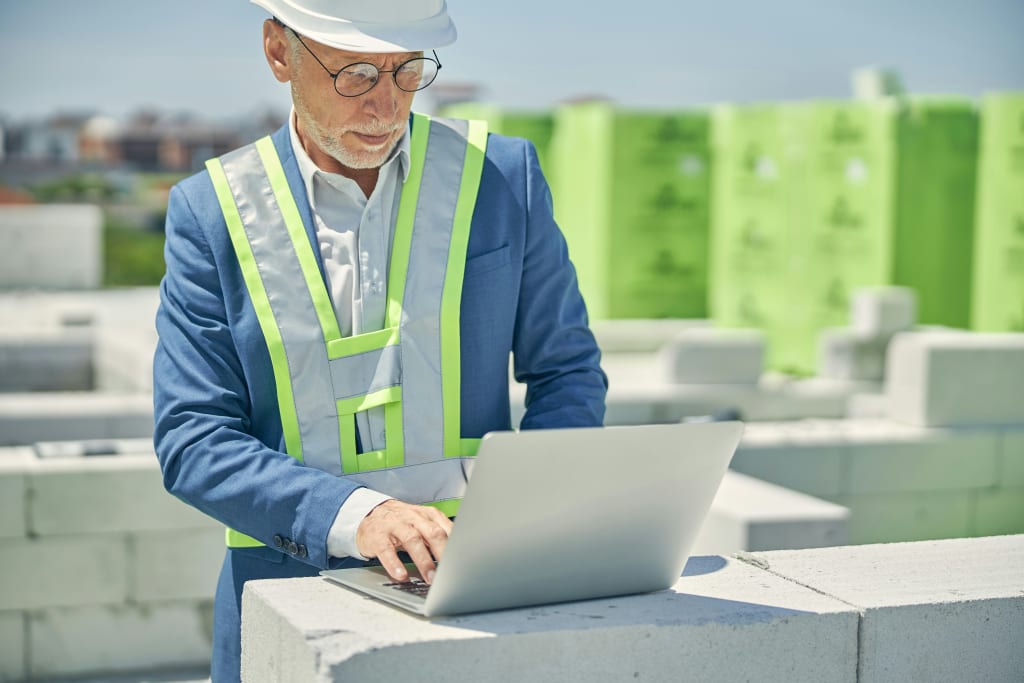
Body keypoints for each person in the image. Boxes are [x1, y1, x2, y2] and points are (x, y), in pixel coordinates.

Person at [152, 0, 607, 679]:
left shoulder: (501, 177)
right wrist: (357, 514)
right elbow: (193, 440)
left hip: (479, 595)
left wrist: (524, 513)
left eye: (406, 72)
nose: (386, 107)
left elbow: (568, 371)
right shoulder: (211, 212)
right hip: (282, 598)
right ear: (280, 52)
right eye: (357, 75)